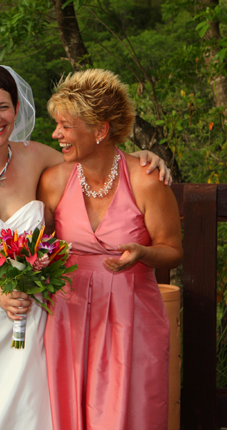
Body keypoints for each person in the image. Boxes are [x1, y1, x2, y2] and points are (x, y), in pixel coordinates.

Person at [0, 63, 170, 430]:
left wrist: (144, 157)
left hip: (32, 319)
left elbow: (98, 157)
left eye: (3, 107)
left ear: (17, 109)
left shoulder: (37, 157)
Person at [37, 69, 183, 430]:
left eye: (65, 126)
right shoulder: (53, 181)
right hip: (67, 317)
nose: (56, 134)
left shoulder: (146, 180)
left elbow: (172, 249)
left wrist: (143, 254)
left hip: (131, 316)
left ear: (100, 130)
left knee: (130, 410)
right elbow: (41, 245)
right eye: (56, 124)